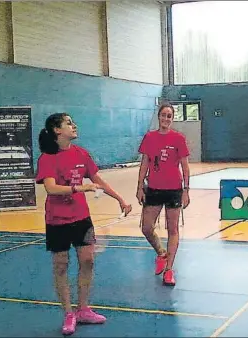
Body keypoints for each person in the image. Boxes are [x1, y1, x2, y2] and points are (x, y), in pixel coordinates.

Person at [35, 112, 132, 335]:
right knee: (61, 265)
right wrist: (79, 188)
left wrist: (120, 200)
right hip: (57, 220)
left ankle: (84, 309)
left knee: (87, 261)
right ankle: (69, 313)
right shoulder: (47, 158)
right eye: (68, 123)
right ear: (57, 130)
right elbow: (50, 188)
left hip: (81, 218)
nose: (74, 125)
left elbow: (98, 180)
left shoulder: (82, 154)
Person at [136, 103, 190, 287]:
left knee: (172, 229)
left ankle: (169, 270)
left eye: (169, 116)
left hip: (174, 189)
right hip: (154, 189)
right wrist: (139, 187)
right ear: (158, 117)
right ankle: (161, 253)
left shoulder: (179, 139)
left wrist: (186, 191)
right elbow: (144, 163)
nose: (166, 119)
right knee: (146, 227)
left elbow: (185, 166)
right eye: (163, 115)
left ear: (172, 119)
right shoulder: (149, 138)